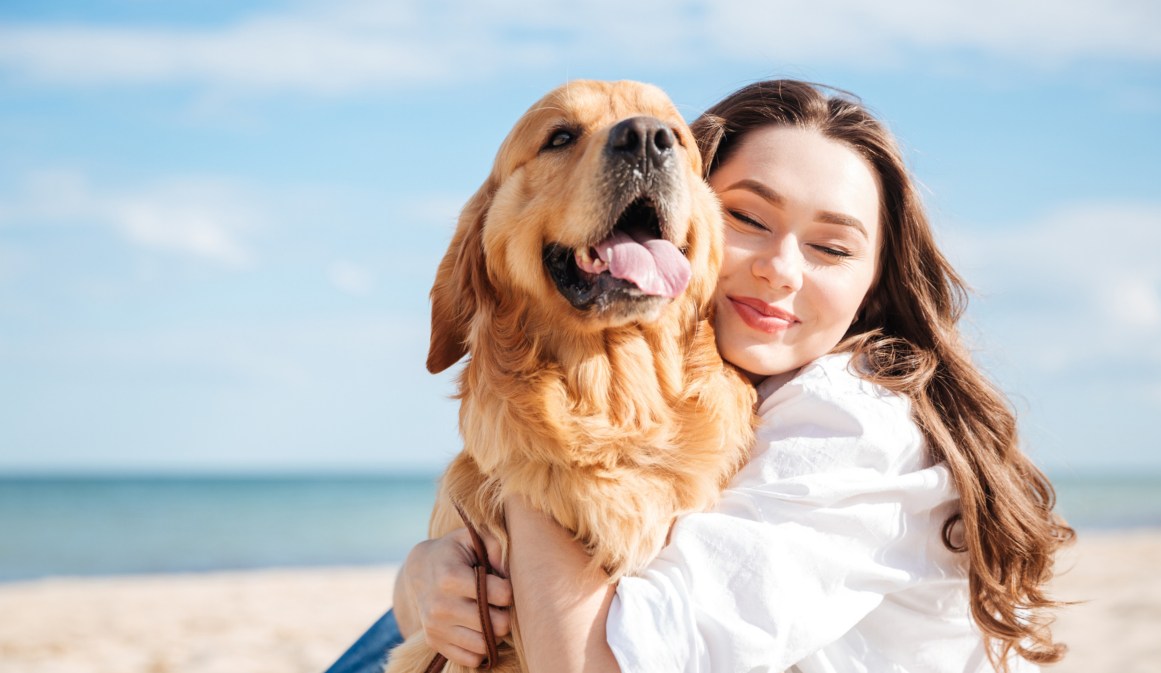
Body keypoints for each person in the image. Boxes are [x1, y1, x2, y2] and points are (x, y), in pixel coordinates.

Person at [330, 79, 1074, 673]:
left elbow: (601, 662)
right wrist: (419, 582)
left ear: (876, 285)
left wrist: (527, 456)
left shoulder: (851, 422)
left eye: (833, 248)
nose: (780, 270)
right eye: (749, 217)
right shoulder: (746, 386)